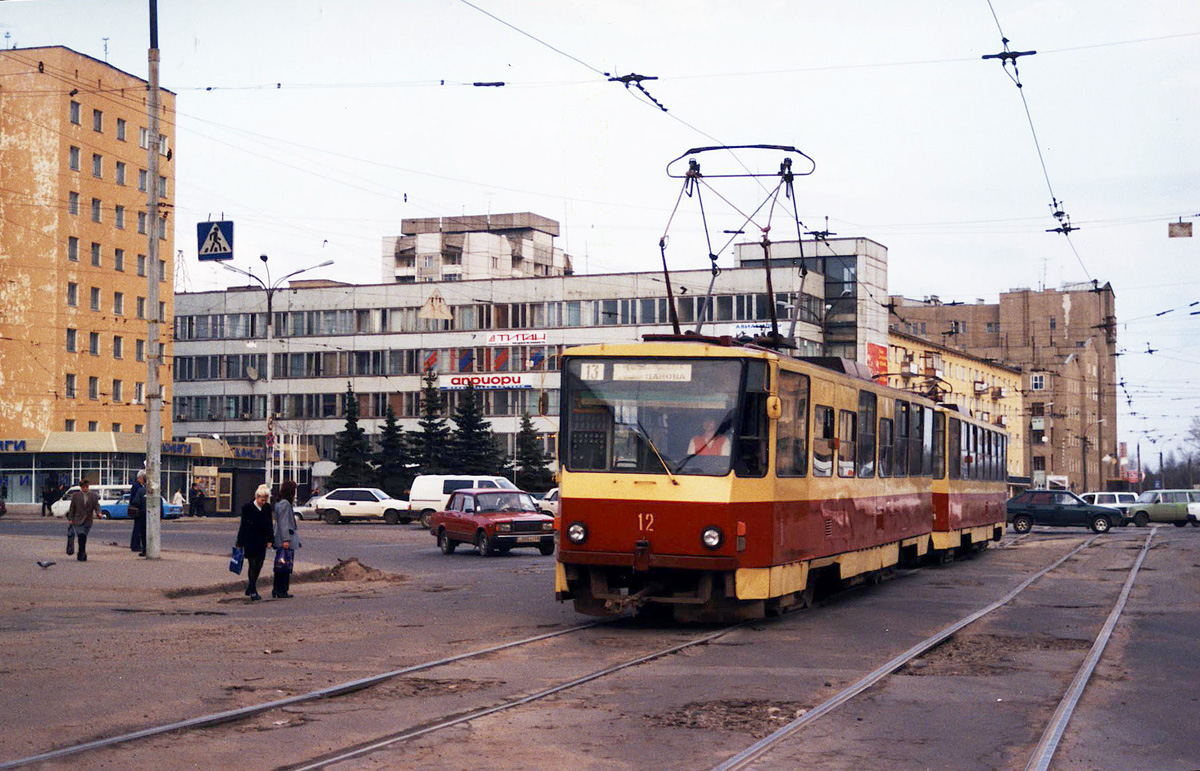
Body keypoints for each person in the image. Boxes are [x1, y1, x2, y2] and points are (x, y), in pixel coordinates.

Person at [236, 484, 274, 601]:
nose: (264, 502)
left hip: (262, 540)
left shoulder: (267, 508)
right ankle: (253, 590)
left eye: (265, 500)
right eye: (262, 500)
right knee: (253, 564)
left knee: (259, 564)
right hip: (250, 540)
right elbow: (243, 526)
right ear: (257, 497)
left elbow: (269, 525)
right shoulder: (247, 508)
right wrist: (239, 542)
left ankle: (250, 587)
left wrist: (270, 540)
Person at [272, 480, 300, 599]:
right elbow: (283, 523)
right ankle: (281, 590)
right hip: (285, 539)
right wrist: (286, 539)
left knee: (281, 564)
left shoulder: (280, 502)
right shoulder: (285, 504)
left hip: (282, 537)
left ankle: (278, 589)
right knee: (284, 565)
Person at [66, 479, 100, 561]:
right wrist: (70, 518)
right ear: (81, 487)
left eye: (87, 487)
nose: (85, 488)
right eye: (83, 487)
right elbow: (72, 508)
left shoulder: (93, 495)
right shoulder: (76, 496)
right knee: (81, 535)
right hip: (77, 519)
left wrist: (99, 513)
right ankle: (82, 554)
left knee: (84, 537)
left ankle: (81, 552)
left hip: (88, 520)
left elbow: (97, 506)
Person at [129, 471, 147, 555]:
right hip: (139, 510)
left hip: (139, 510)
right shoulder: (138, 487)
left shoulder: (139, 486)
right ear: (140, 478)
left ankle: (137, 545)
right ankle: (136, 545)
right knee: (138, 529)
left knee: (138, 528)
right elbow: (135, 499)